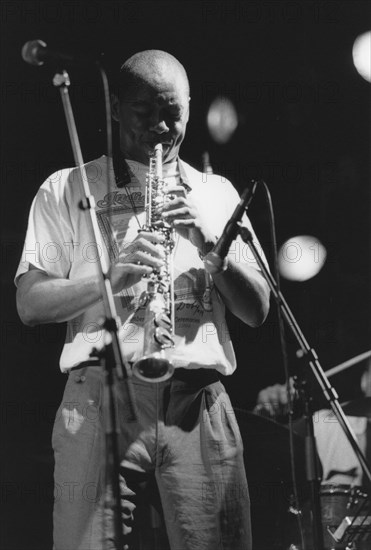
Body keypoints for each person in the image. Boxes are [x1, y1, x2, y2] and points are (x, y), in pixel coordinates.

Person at [15, 50, 270, 550]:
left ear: (191, 105)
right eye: (143, 110)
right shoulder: (66, 187)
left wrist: (209, 245)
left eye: (172, 111)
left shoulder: (216, 192)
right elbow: (29, 304)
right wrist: (108, 279)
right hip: (99, 399)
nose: (160, 126)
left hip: (198, 401)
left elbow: (257, 309)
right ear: (114, 107)